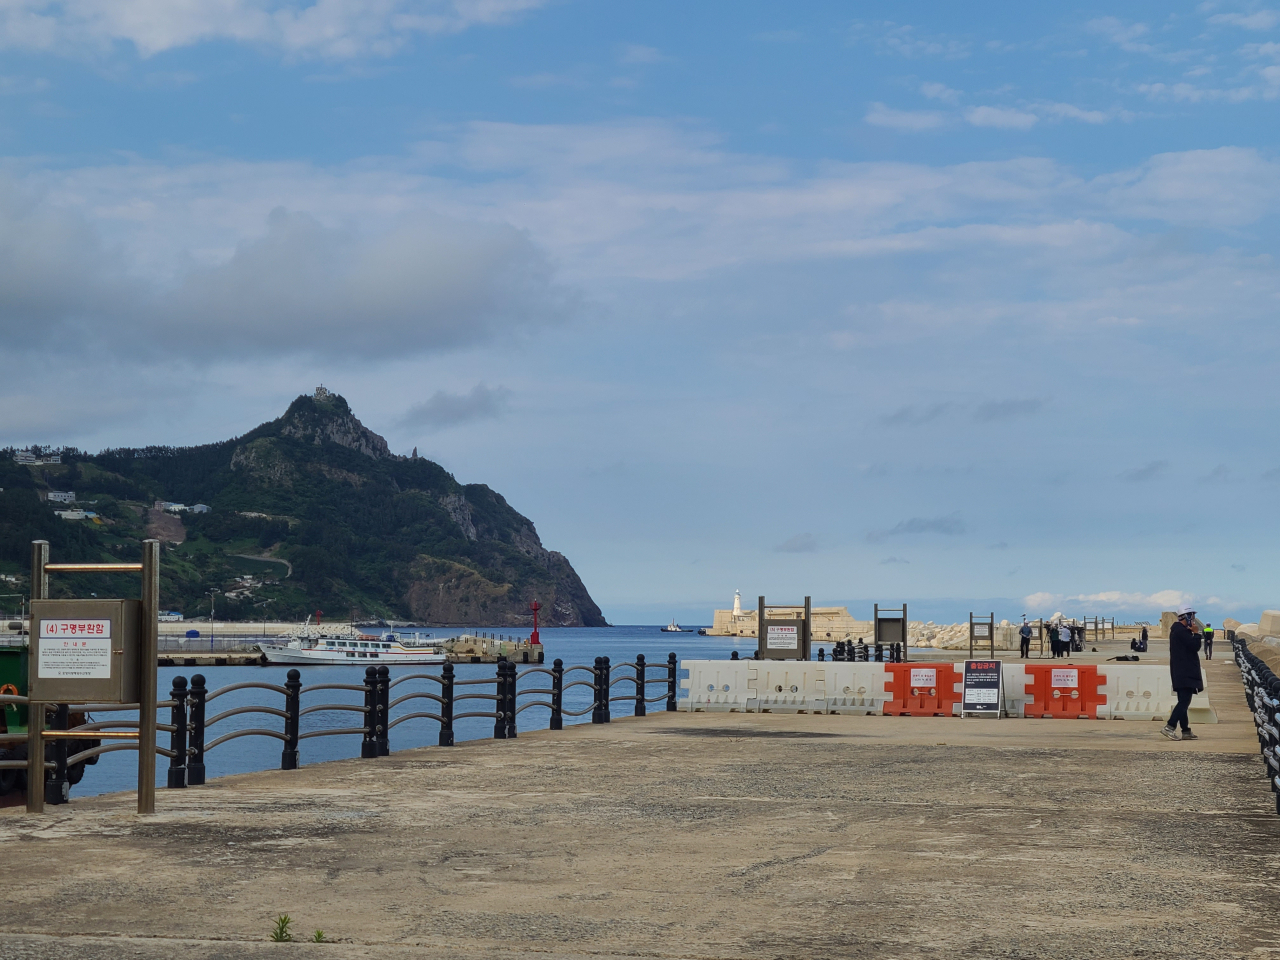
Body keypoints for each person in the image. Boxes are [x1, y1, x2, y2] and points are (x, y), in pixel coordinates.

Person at [1162, 606, 1204, 741]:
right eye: (1191, 616)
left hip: (1181, 670)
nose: (1193, 619)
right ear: (1186, 616)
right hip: (1185, 672)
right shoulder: (1180, 631)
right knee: (1184, 702)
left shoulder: (1179, 631)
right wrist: (1197, 634)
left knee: (1183, 701)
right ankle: (1170, 726)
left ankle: (1185, 730)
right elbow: (1195, 647)